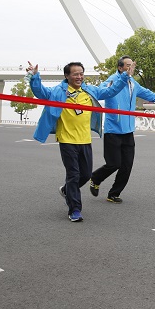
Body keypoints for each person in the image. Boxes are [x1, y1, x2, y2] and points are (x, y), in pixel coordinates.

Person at [27, 61, 132, 222]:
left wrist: (124, 77)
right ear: (67, 76)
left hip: (85, 139)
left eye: (81, 74)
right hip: (67, 140)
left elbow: (110, 91)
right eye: (75, 74)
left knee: (86, 174)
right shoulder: (58, 91)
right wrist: (35, 77)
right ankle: (75, 209)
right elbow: (40, 92)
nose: (79, 77)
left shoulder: (90, 91)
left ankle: (66, 190)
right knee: (74, 175)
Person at [90, 56, 155, 203]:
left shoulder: (132, 82)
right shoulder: (112, 80)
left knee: (127, 166)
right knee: (114, 164)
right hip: (113, 130)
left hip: (128, 131)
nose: (130, 67)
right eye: (127, 65)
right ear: (120, 68)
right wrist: (122, 79)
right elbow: (101, 92)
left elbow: (145, 92)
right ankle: (96, 178)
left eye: (132, 65)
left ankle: (114, 193)